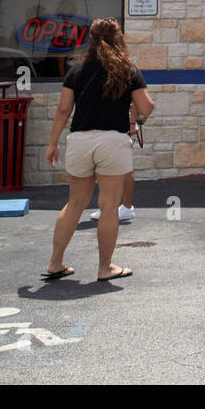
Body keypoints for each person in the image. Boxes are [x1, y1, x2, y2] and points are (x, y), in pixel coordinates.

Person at [43, 18, 153, 282]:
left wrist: (52, 143)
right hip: (112, 142)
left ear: (90, 40)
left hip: (80, 140)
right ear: (119, 39)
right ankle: (105, 268)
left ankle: (55, 263)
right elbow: (146, 107)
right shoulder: (128, 69)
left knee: (75, 203)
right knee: (108, 206)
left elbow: (62, 110)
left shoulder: (76, 70)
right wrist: (133, 113)